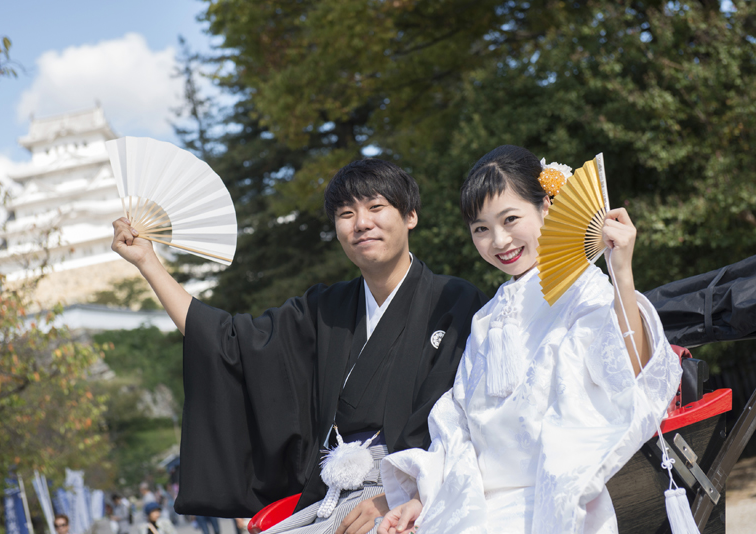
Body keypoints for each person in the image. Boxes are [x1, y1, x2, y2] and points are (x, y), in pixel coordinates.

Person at [111, 159, 487, 534]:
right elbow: (230, 343)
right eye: (345, 213)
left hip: (413, 492)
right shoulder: (324, 310)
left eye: (376, 207)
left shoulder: (453, 301)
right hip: (331, 492)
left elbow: (465, 422)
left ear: (410, 216)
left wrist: (402, 491)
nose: (361, 223)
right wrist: (148, 263)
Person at [377, 145, 683, 534]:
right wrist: (427, 494)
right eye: (481, 229)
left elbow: (628, 374)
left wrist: (621, 272)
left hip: (547, 489)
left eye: (510, 219)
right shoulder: (486, 317)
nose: (500, 241)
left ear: (546, 209)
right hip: (476, 496)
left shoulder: (582, 287)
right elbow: (459, 421)